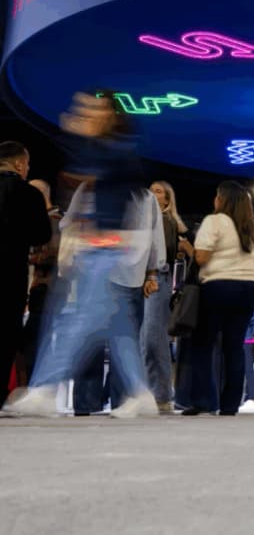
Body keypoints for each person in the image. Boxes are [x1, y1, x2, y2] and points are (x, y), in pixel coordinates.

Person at [9, 92, 163, 418]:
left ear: (110, 114)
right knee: (118, 326)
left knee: (75, 322)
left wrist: (79, 136)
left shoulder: (119, 148)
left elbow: (96, 170)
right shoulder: (109, 149)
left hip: (107, 247)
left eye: (93, 108)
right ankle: (139, 392)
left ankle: (45, 388)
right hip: (99, 246)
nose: (85, 113)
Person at [186, 181, 254, 416]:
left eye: (217, 196)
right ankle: (230, 405)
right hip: (250, 287)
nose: (215, 200)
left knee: (203, 344)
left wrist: (187, 248)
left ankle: (202, 401)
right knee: (234, 346)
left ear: (222, 199)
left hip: (218, 285)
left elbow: (201, 257)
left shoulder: (214, 221)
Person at [0, 142, 53, 407]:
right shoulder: (29, 194)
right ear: (20, 164)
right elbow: (42, 235)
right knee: (8, 332)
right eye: (27, 164)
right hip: (11, 274)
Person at [141, 180, 193, 412]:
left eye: (158, 191)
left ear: (167, 200)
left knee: (154, 340)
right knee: (144, 340)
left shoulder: (165, 221)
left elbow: (164, 256)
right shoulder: (146, 222)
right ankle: (150, 393)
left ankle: (161, 396)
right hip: (141, 281)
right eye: (150, 190)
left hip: (156, 280)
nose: (153, 194)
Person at [21, 179, 63, 380]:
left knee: (34, 341)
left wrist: (22, 254)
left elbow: (53, 253)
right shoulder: (39, 220)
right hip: (40, 288)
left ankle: (34, 386)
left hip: (47, 289)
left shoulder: (53, 220)